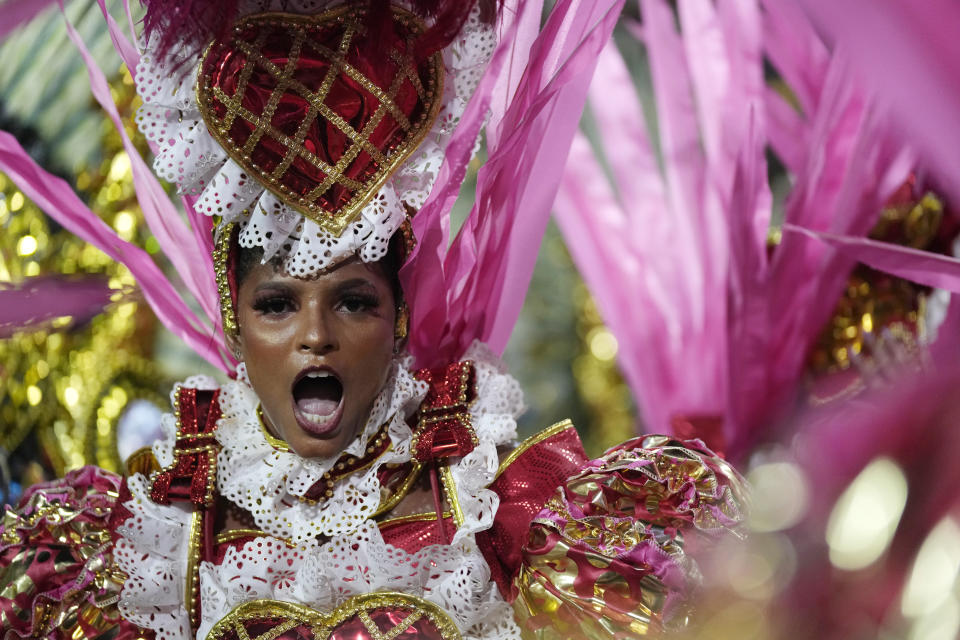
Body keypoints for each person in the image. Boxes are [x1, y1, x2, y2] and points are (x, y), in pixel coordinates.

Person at [0, 1, 747, 638]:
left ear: (397, 321)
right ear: (235, 323)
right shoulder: (150, 545)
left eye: (353, 301)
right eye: (277, 305)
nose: (315, 335)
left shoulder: (503, 511)